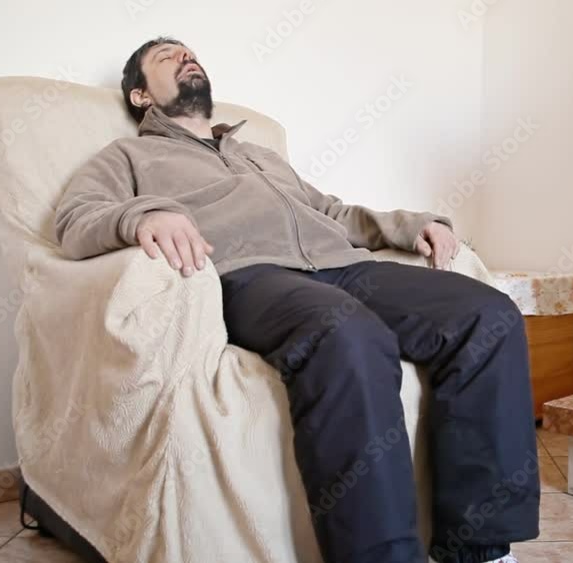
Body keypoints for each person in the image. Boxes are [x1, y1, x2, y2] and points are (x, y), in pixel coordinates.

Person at [54, 36, 539, 563]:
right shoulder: (130, 155)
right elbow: (74, 219)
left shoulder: (259, 155)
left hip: (346, 268)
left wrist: (413, 224)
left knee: (488, 314)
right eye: (167, 57)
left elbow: (330, 212)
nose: (187, 58)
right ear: (141, 96)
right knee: (348, 333)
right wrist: (146, 215)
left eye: (190, 52)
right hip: (253, 278)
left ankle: (481, 550)